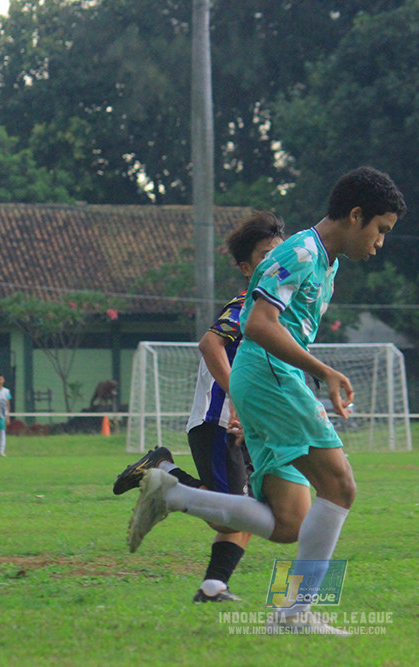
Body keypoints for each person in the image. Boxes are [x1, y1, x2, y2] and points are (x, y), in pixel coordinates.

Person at [126, 167, 406, 633]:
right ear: (356, 216)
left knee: (290, 522)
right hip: (273, 379)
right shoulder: (299, 251)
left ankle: (173, 492)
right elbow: (257, 325)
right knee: (340, 487)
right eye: (381, 230)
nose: (380, 242)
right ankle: (294, 616)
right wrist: (322, 371)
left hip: (271, 382)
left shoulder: (327, 263)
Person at [113, 211, 286, 603]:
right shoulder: (249, 303)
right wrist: (240, 398)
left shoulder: (278, 308)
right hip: (219, 421)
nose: (274, 262)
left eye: (279, 254)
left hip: (246, 425)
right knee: (227, 511)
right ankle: (161, 470)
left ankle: (213, 587)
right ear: (246, 268)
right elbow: (211, 344)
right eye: (264, 256)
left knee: (251, 508)